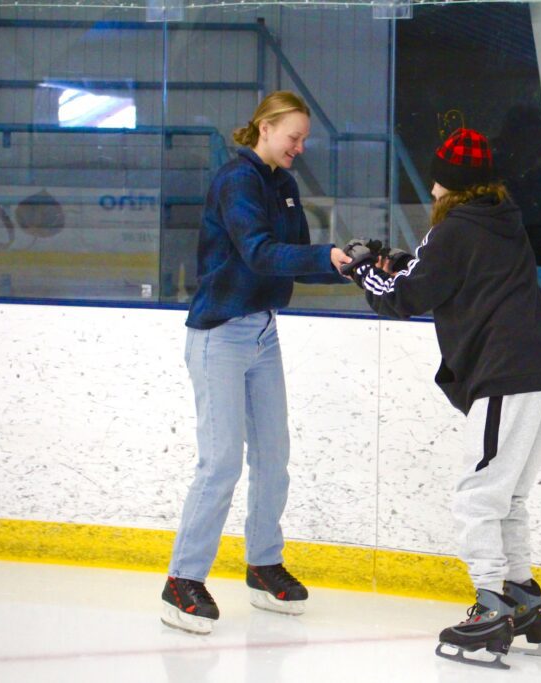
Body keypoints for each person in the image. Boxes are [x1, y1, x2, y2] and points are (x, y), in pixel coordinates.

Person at [342, 128, 541, 668]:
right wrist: (401, 262)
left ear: (445, 182)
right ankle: (522, 597)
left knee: (477, 495)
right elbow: (447, 274)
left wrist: (361, 271)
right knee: (507, 494)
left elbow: (401, 299)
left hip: (504, 372)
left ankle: (491, 604)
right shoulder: (503, 219)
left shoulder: (451, 230)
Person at [161, 90, 352, 635]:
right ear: (265, 128)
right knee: (221, 461)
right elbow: (259, 252)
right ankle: (182, 578)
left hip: (263, 331)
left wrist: (349, 264)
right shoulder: (236, 181)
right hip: (220, 334)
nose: (300, 146)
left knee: (274, 454)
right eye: (294, 136)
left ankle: (263, 564)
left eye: (304, 138)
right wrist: (324, 257)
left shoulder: (283, 185)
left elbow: (294, 259)